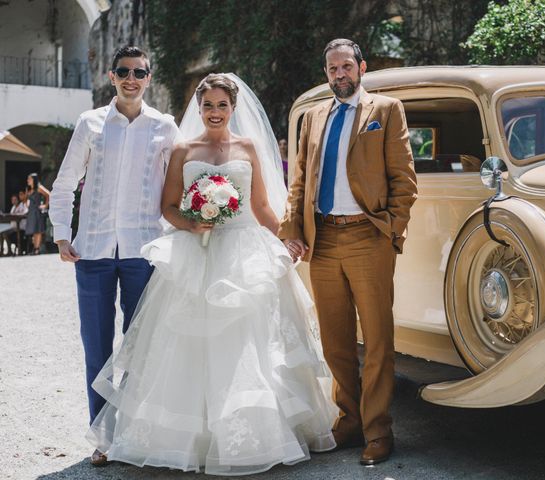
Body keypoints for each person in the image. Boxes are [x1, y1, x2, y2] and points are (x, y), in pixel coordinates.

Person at [85, 73, 337, 475]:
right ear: (198, 109)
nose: (214, 112)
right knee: (185, 344)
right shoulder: (184, 149)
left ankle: (253, 434)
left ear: (233, 108)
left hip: (241, 249)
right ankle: (187, 439)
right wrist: (192, 223)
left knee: (246, 341)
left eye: (222, 105)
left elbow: (262, 208)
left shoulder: (248, 146)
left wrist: (286, 239)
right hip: (196, 252)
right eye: (207, 105)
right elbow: (167, 206)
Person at [278, 38, 418, 465]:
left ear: (361, 68)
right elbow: (299, 180)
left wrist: (391, 228)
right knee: (336, 341)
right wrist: (292, 228)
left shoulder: (386, 110)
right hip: (323, 240)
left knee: (377, 340)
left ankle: (378, 431)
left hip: (367, 237)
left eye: (346, 67)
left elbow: (404, 179)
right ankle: (350, 421)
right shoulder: (313, 117)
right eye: (332, 69)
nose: (339, 75)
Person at [49, 45, 182, 466]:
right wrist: (60, 234)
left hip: (144, 251)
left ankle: (134, 434)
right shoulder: (90, 123)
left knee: (140, 347)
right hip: (93, 251)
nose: (131, 78)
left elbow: (181, 182)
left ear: (148, 77)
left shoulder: (164, 126)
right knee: (97, 347)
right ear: (111, 76)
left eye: (138, 72)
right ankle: (103, 438)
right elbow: (66, 181)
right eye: (123, 71)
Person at [25, 173, 50, 254]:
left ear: (34, 180)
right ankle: (35, 248)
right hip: (31, 211)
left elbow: (48, 194)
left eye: (29, 179)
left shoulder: (39, 187)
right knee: (33, 230)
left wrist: (45, 205)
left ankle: (36, 249)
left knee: (37, 230)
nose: (28, 180)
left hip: (37, 211)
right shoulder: (30, 189)